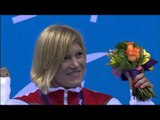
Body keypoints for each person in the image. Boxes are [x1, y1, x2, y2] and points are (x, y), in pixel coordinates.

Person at [0, 25, 155, 105]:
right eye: (65, 58)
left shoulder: (106, 102)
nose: (76, 64)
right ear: (47, 62)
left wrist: (141, 100)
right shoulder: (22, 103)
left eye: (79, 54)